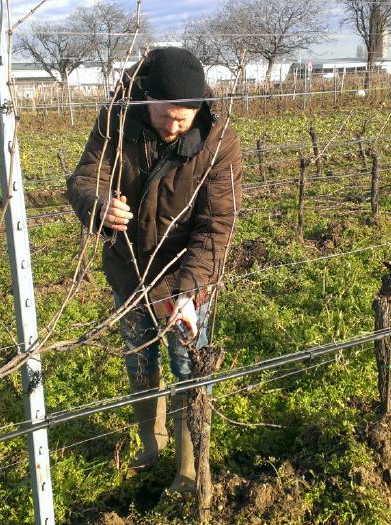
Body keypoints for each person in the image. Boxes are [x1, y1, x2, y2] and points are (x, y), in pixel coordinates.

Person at [66, 47, 242, 492]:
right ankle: (151, 443)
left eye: (184, 117)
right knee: (139, 361)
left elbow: (216, 224)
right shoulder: (116, 122)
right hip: (128, 271)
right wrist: (98, 206)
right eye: (167, 115)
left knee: (188, 365)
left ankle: (188, 467)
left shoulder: (219, 142)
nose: (174, 125)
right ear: (148, 99)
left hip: (184, 278)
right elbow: (86, 178)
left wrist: (191, 292)